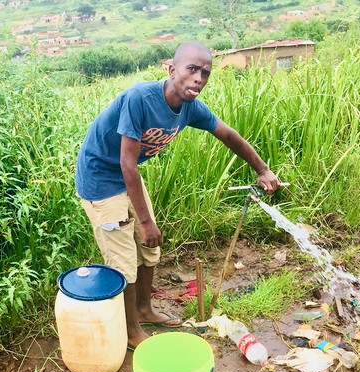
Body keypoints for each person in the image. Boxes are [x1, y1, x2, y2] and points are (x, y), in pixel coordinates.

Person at [75, 41, 280, 349]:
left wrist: (262, 169)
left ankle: (144, 309)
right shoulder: (139, 99)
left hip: (126, 176)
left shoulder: (190, 107)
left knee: (149, 249)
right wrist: (145, 221)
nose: (199, 78)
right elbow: (127, 164)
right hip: (101, 178)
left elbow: (227, 134)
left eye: (206, 73)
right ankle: (131, 332)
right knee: (123, 260)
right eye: (192, 69)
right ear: (172, 70)